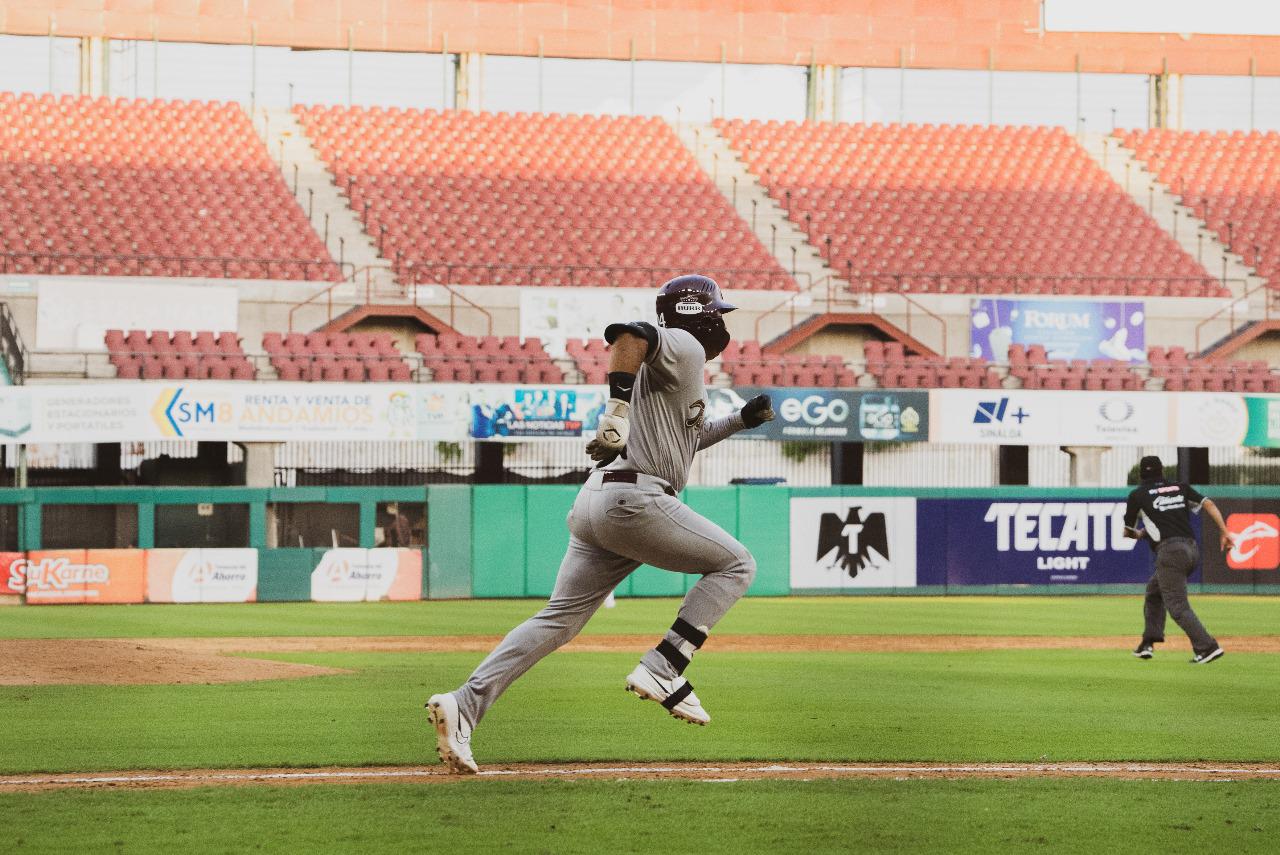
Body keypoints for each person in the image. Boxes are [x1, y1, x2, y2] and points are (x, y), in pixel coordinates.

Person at [426, 274, 775, 773]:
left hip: (599, 498)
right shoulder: (684, 346)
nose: (722, 320)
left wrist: (740, 419)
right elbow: (630, 335)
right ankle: (665, 666)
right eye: (716, 310)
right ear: (697, 313)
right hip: (636, 500)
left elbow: (683, 443)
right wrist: (616, 409)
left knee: (557, 620)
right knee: (737, 565)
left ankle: (465, 703)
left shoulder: (680, 365)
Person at [1123, 455, 1236, 665]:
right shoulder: (1179, 487)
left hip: (1170, 553)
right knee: (1154, 592)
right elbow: (1208, 503)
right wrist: (1225, 531)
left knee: (1177, 606)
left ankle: (1207, 647)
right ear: (1161, 471)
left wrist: (1134, 533)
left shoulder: (1137, 495)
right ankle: (1147, 643)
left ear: (1141, 474)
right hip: (1191, 550)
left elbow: (1129, 531)